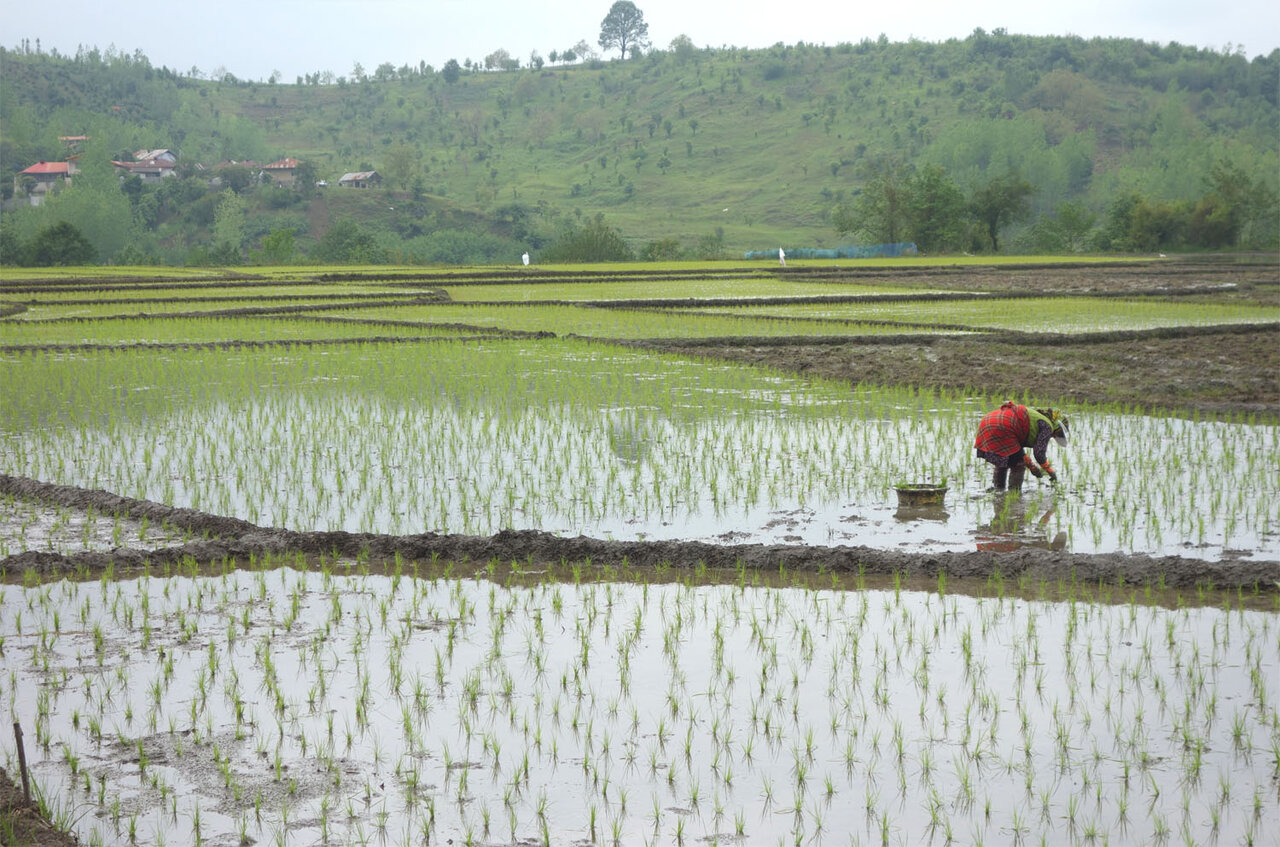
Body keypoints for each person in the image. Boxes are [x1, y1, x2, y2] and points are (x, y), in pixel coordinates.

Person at [973, 402, 1069, 491]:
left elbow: (1017, 449)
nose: (1053, 437)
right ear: (1057, 428)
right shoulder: (1047, 426)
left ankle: (998, 492)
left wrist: (1031, 466)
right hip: (1004, 426)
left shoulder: (1035, 416)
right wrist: (1050, 470)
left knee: (1003, 460)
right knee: (1018, 465)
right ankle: (1014, 493)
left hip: (987, 421)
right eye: (1056, 434)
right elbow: (1039, 453)